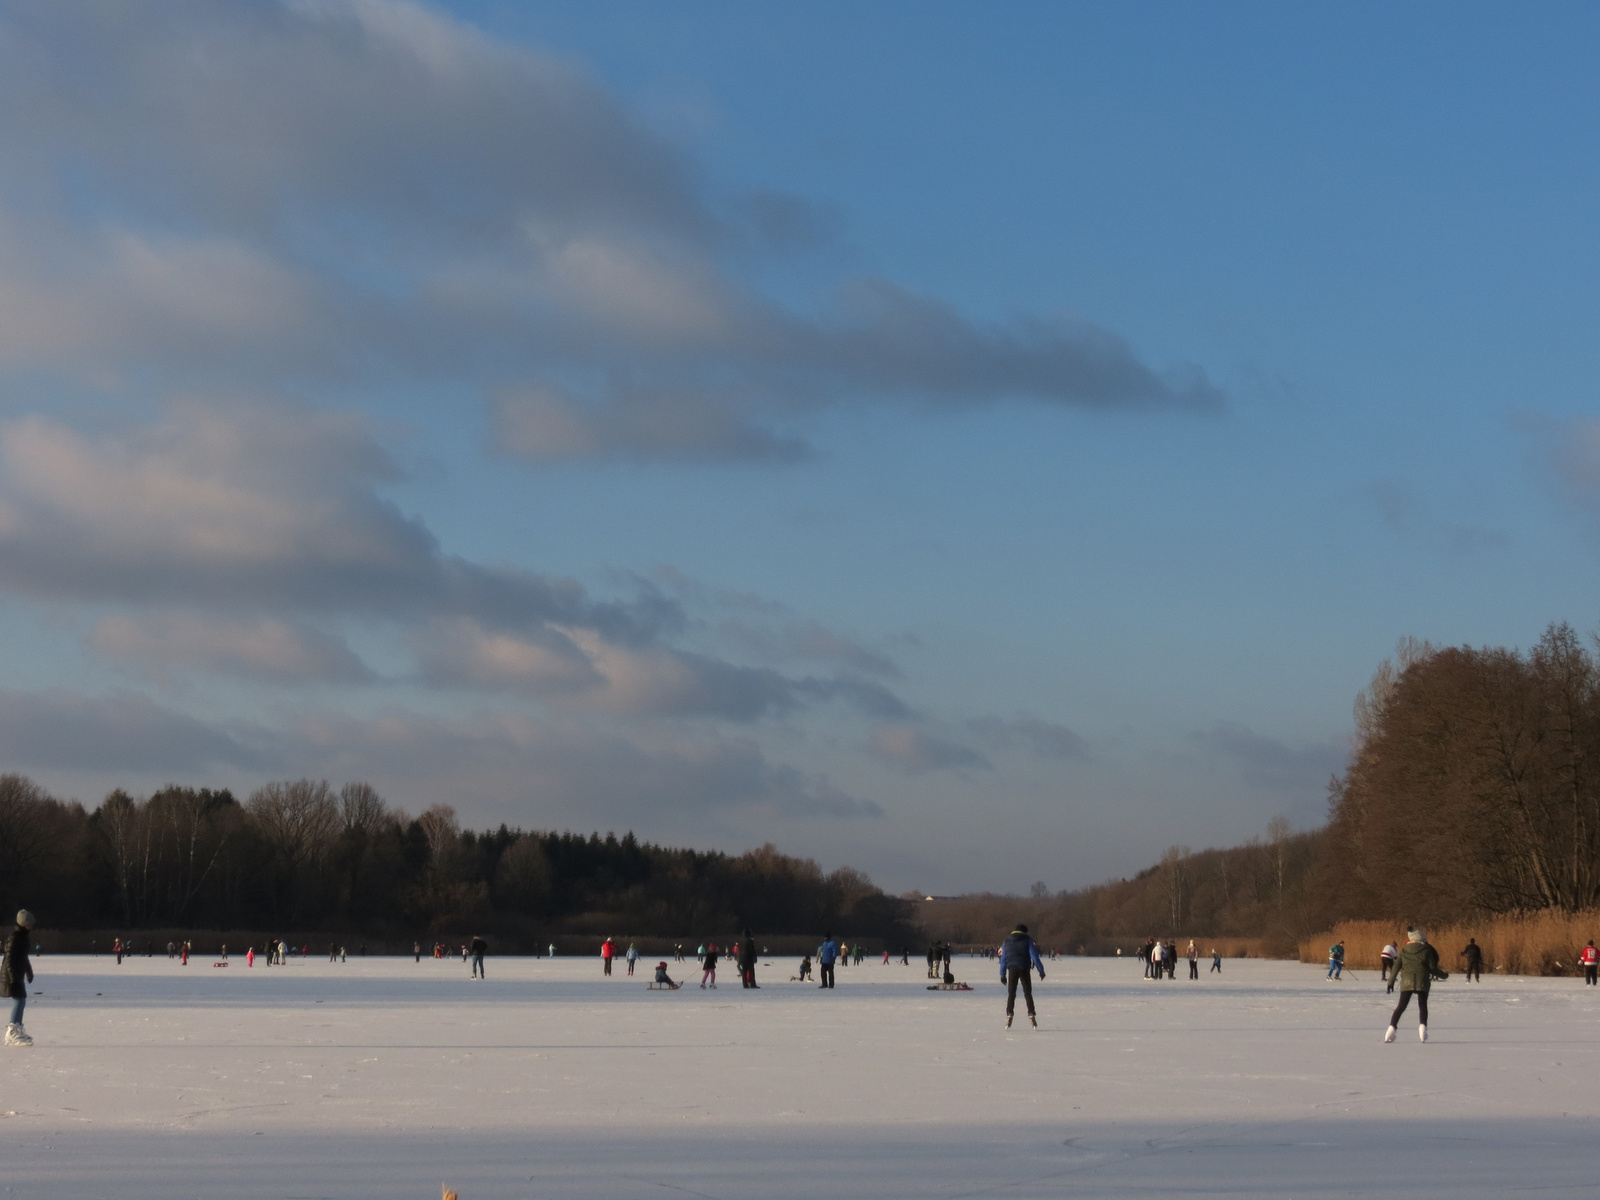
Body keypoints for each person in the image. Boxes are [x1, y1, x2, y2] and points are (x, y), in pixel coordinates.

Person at [1385, 927, 1448, 1043]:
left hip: (1406, 982)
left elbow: (1395, 967)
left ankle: (1390, 1031)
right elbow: (1432, 967)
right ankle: (1422, 1031)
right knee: (1422, 1006)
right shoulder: (1426, 950)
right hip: (1422, 981)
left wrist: (1390, 982)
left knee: (1401, 1007)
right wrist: (1444, 975)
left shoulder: (1404, 950)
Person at [999, 922, 1045, 1028]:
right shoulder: (1028, 940)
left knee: (1011, 993)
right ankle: (1031, 1013)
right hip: (1024, 968)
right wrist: (1041, 971)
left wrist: (1002, 974)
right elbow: (1034, 956)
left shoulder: (1007, 941)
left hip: (1012, 969)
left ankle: (1009, 1014)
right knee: (1027, 993)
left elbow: (1003, 959)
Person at [3, 910, 36, 1047]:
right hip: (11, 976)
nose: (31, 926)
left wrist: (29, 972)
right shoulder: (16, 937)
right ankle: (12, 1031)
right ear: (23, 924)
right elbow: (8, 959)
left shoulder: (23, 937)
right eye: (29, 924)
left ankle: (17, 1028)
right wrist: (13, 978)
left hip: (18, 975)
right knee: (19, 1000)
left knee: (21, 1001)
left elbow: (23, 957)